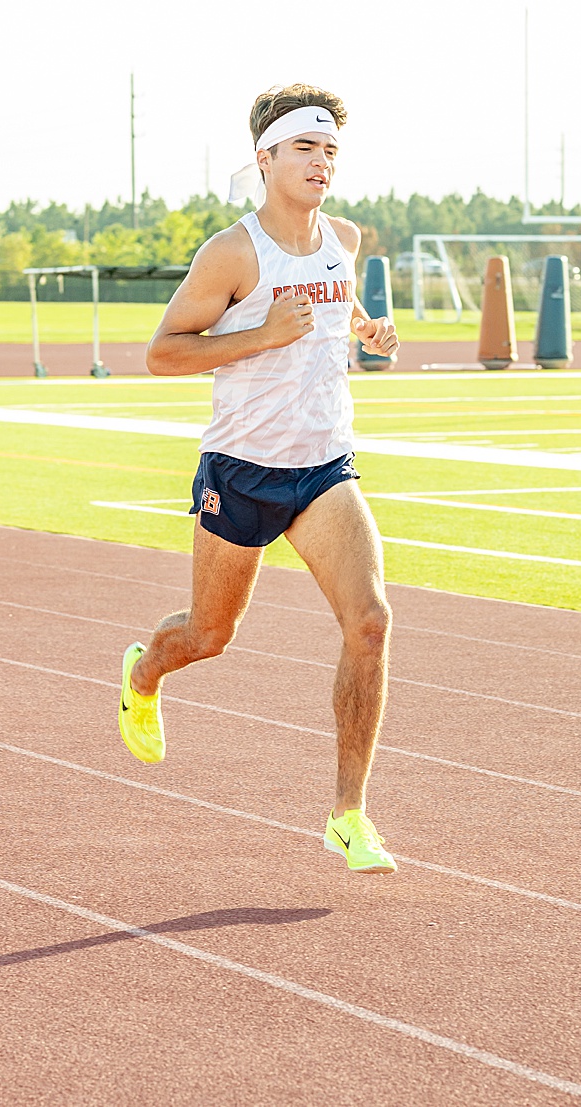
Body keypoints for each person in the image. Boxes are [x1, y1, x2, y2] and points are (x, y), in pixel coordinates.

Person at [119, 84, 401, 874]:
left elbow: (335, 320)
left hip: (322, 469)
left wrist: (370, 331)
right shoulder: (232, 253)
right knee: (210, 635)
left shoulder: (343, 239)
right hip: (241, 471)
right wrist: (258, 336)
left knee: (371, 621)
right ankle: (144, 673)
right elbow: (163, 351)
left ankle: (348, 814)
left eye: (331, 150)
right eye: (306, 148)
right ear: (266, 158)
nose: (322, 163)